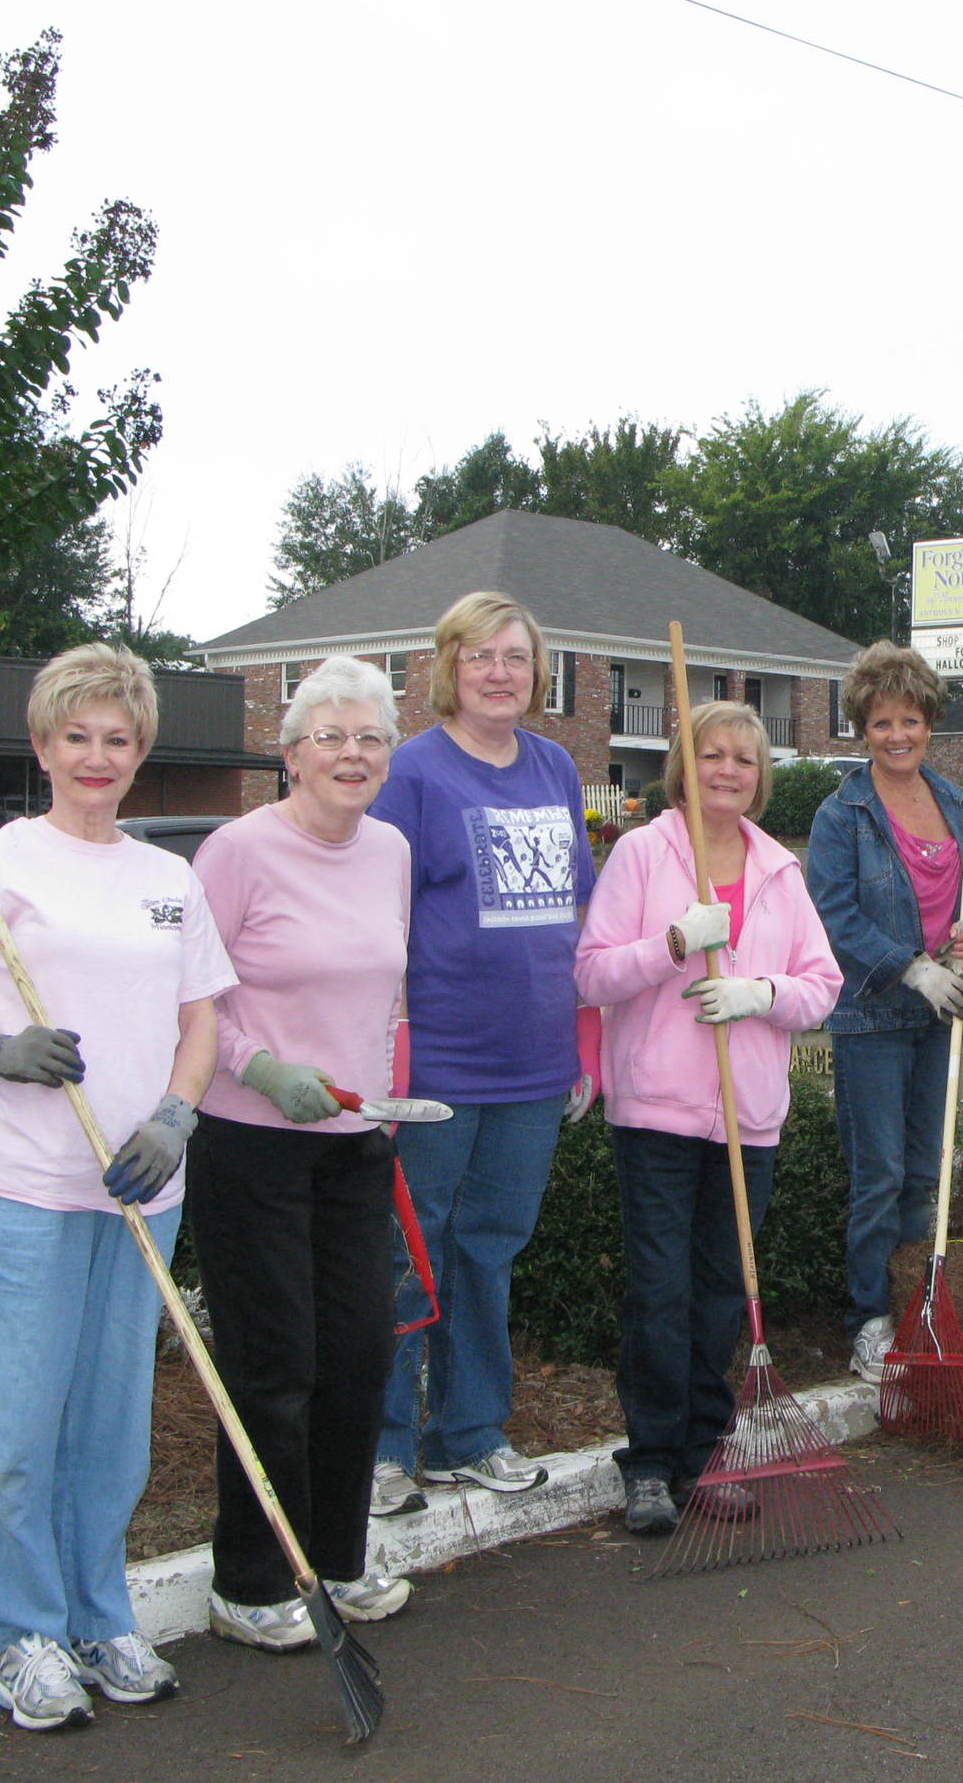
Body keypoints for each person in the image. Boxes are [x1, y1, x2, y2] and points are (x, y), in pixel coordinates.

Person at [0, 644, 235, 1733]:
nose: (96, 756)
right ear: (42, 747)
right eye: (75, 736)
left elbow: (201, 1019)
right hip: (16, 1186)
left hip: (138, 1190)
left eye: (117, 739)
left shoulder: (169, 881)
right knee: (21, 1419)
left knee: (109, 1425)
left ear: (140, 756)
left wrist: (179, 1114)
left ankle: (98, 1614)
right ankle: (23, 1633)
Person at [185, 657, 416, 1651]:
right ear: (289, 755)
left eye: (369, 738)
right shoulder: (235, 852)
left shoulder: (392, 850)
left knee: (359, 1356)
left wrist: (392, 1094)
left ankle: (338, 1560)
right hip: (252, 1143)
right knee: (274, 1364)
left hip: (356, 1144)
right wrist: (259, 1064)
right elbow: (190, 996)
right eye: (330, 737)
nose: (351, 754)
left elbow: (388, 993)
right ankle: (250, 1580)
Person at [575, 701, 842, 1535]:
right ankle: (650, 1463)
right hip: (656, 1111)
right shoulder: (645, 854)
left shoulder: (778, 871)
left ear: (762, 778)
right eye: (713, 754)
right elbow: (591, 975)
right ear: (685, 767)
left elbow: (822, 986)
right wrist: (672, 945)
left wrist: (762, 993)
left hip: (745, 1116)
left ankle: (703, 1454)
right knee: (660, 1290)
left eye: (745, 759)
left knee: (721, 1294)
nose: (728, 769)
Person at [370, 592, 598, 1514]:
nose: (500, 671)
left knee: (489, 1247)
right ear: (448, 667)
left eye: (515, 655)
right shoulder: (413, 773)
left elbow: (575, 916)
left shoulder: (553, 766)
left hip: (536, 1064)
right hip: (440, 1061)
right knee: (404, 1250)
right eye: (480, 656)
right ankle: (384, 1446)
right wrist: (389, 1047)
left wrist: (582, 1043)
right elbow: (378, 914)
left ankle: (468, 1432)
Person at [805, 643, 963, 1382]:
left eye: (912, 721)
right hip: (871, 1017)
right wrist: (912, 967)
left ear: (931, 725)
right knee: (879, 1172)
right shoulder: (841, 814)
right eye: (883, 722)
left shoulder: (961, 803)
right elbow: (833, 915)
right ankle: (868, 1316)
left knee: (926, 1173)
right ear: (863, 727)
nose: (898, 735)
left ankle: (917, 1302)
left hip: (940, 1014)